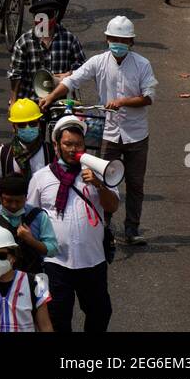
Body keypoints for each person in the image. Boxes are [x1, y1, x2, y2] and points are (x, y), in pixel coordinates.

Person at [42, 15, 154, 247]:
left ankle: (132, 229)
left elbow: (148, 97)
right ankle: (104, 224)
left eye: (122, 40)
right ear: (106, 38)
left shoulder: (142, 64)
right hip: (110, 133)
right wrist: (51, 96)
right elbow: (74, 80)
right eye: (114, 39)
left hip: (136, 134)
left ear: (131, 42)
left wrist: (123, 102)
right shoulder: (99, 62)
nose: (118, 43)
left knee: (135, 183)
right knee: (104, 180)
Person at [27, 115, 119, 332]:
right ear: (57, 146)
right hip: (56, 262)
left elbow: (112, 207)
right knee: (58, 318)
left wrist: (98, 185)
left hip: (93, 260)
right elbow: (31, 217)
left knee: (100, 312)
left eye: (78, 144)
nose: (73, 149)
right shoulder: (41, 178)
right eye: (67, 144)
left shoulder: (98, 173)